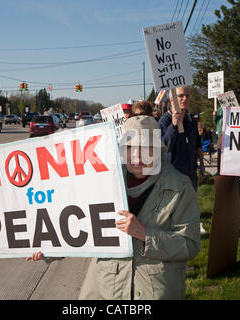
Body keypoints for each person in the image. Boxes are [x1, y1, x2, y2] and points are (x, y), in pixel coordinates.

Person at [27, 116, 201, 300]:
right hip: (105, 289)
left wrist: (145, 235)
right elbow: (81, 228)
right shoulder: (103, 180)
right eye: (130, 148)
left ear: (158, 151)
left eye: (144, 149)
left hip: (154, 291)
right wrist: (50, 247)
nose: (136, 156)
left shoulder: (180, 187)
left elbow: (190, 245)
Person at [158, 86, 205, 192]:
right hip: (173, 174)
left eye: (187, 96)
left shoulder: (191, 120)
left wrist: (201, 164)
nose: (185, 98)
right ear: (172, 99)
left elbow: (197, 144)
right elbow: (164, 146)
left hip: (191, 173)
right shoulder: (164, 121)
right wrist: (173, 125)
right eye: (180, 96)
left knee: (191, 206)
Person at [212, 105, 223, 175]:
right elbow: (215, 120)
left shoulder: (233, 106)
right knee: (220, 151)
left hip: (231, 132)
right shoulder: (220, 109)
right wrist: (214, 115)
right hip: (221, 133)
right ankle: (219, 170)